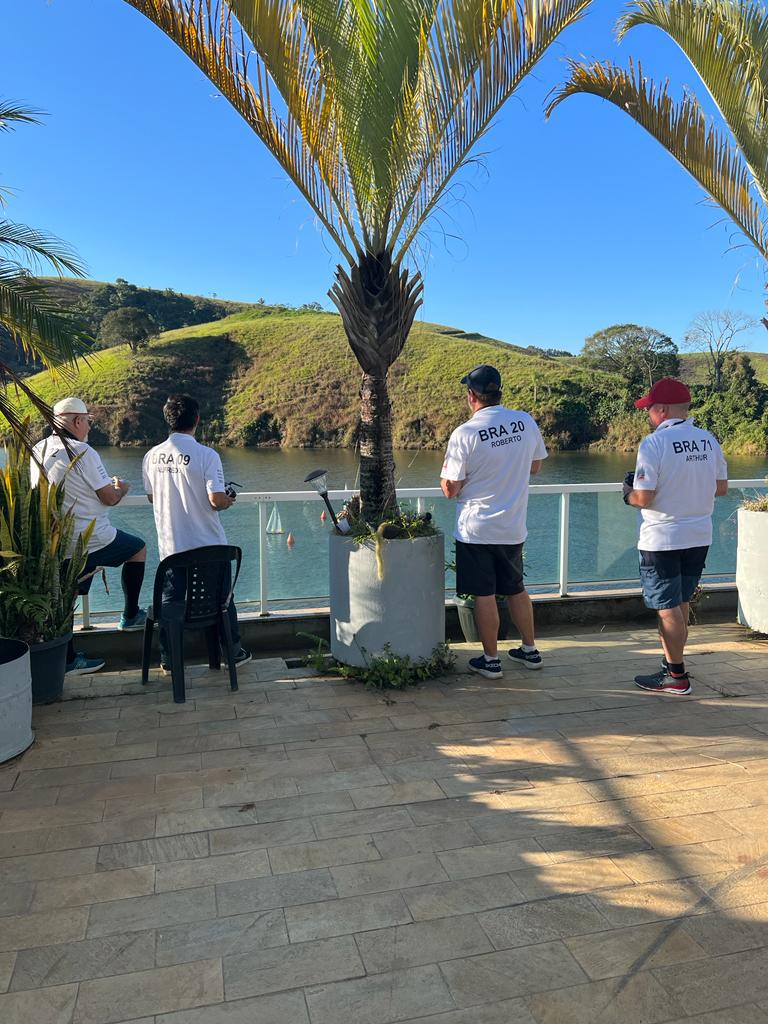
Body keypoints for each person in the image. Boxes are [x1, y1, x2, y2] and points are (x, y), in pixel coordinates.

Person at [441, 364, 548, 679]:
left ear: (471, 396)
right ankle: (530, 650)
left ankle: (490, 660)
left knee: (484, 594)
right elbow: (535, 466)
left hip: (477, 529)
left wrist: (458, 479)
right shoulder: (524, 421)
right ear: (499, 392)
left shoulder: (465, 433)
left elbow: (450, 489)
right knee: (516, 589)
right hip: (512, 526)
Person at [624, 377, 728, 696]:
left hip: (662, 538)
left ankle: (676, 676)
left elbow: (643, 497)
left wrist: (627, 492)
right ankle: (672, 664)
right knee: (680, 602)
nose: (647, 414)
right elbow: (721, 488)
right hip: (699, 535)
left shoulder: (654, 443)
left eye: (649, 408)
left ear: (662, 410)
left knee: (666, 606)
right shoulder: (707, 440)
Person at [31, 397, 147, 675]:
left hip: (54, 540)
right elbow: (109, 497)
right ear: (77, 421)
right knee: (138, 549)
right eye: (88, 422)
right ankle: (130, 615)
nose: (90, 428)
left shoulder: (38, 448)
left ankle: (68, 659)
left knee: (65, 597)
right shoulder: (83, 451)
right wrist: (122, 487)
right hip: (91, 537)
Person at [142, 394, 251, 671]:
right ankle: (232, 652)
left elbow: (152, 497)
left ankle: (169, 658)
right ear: (197, 420)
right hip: (209, 547)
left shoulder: (151, 456)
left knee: (170, 602)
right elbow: (216, 500)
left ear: (168, 419)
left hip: (172, 549)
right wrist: (228, 500)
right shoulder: (207, 455)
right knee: (222, 602)